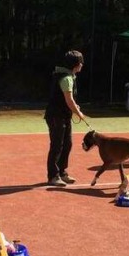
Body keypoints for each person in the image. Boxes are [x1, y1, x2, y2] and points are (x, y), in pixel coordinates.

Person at [44, 50, 87, 187]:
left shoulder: (70, 76)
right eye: (81, 62)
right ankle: (53, 176)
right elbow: (69, 100)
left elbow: (70, 100)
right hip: (56, 116)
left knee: (67, 144)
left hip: (64, 115)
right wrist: (78, 113)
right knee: (57, 146)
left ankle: (62, 173)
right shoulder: (66, 78)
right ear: (76, 64)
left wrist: (75, 108)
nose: (82, 65)